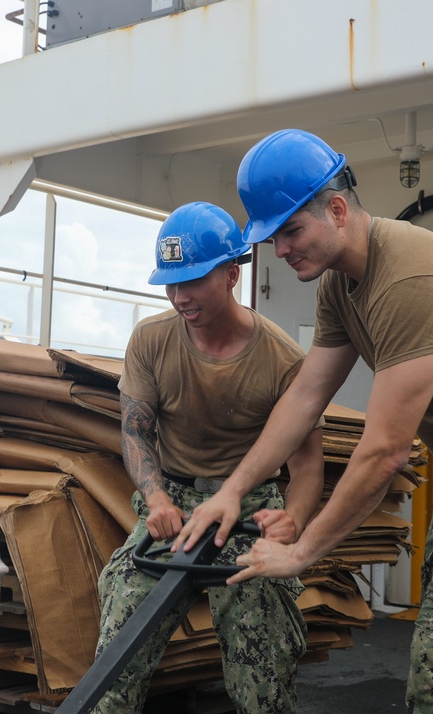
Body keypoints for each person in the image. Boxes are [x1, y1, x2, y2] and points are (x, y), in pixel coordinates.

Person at [174, 130, 433, 713]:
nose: (281, 250)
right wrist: (232, 491)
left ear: (339, 210)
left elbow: (384, 452)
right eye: (272, 238)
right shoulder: (340, 287)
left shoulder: (409, 278)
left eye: (291, 231)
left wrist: (303, 554)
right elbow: (304, 399)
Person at [92, 201, 325, 713]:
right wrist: (153, 497)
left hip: (246, 508)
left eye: (193, 281)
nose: (180, 297)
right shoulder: (151, 341)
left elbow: (308, 466)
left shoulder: (282, 359)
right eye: (171, 284)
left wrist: (293, 520)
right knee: (116, 657)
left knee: (262, 678)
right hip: (171, 502)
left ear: (231, 274)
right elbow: (135, 432)